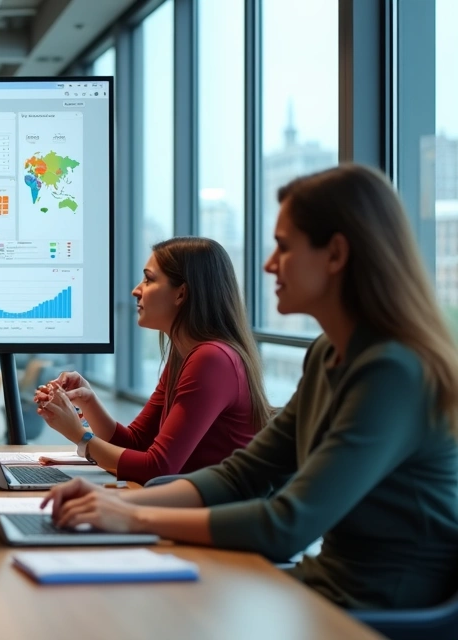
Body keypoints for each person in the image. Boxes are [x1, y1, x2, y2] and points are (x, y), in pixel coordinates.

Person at [41, 165, 458, 610]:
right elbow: (242, 475)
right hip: (321, 587)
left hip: (372, 612)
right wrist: (110, 505)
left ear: (335, 255)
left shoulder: (392, 372)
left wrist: (132, 513)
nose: (268, 264)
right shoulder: (326, 355)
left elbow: (287, 526)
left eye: (283, 247)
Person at [33, 237, 270, 485]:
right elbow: (136, 442)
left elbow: (157, 468)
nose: (136, 290)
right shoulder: (186, 355)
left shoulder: (211, 359)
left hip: (214, 518)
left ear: (181, 293)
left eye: (149, 279)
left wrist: (79, 435)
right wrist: (88, 400)